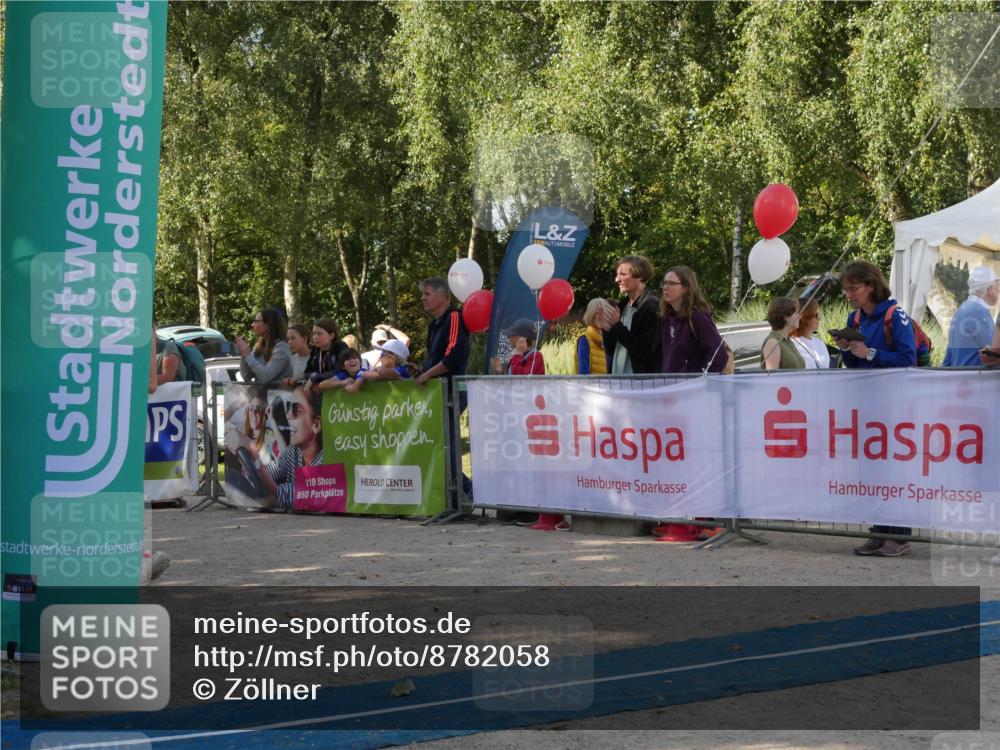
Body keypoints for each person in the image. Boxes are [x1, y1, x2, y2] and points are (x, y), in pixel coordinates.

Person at [835, 261, 916, 557]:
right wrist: (847, 350)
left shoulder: (896, 315)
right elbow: (856, 365)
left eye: (854, 288)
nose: (849, 294)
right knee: (871, 470)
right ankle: (878, 532)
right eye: (846, 289)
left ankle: (899, 535)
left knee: (895, 470)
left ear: (871, 286)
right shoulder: (854, 318)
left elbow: (908, 358)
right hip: (868, 405)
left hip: (896, 405)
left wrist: (870, 353)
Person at [413, 277, 472, 503]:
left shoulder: (455, 317)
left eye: (427, 294)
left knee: (448, 446)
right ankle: (458, 495)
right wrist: (421, 370)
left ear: (442, 296)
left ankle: (467, 494)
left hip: (451, 391)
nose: (422, 298)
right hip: (437, 391)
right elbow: (436, 359)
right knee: (440, 446)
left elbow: (454, 357)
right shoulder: (433, 324)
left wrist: (428, 374)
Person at [232, 386, 324, 512]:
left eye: (296, 409)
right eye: (288, 408)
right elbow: (275, 469)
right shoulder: (295, 451)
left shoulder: (324, 464)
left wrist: (253, 454)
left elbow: (279, 495)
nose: (288, 415)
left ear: (316, 424)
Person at [658, 266, 728, 373]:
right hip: (671, 385)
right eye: (664, 283)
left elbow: (719, 355)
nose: (665, 287)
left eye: (671, 283)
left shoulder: (697, 315)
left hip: (691, 387)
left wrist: (700, 381)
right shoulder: (668, 316)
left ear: (686, 288)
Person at [600, 255, 661, 374]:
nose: (616, 279)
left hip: (642, 385)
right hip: (620, 381)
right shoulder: (622, 307)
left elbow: (646, 351)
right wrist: (607, 329)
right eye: (617, 274)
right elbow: (614, 350)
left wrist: (617, 327)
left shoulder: (652, 306)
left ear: (640, 277)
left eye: (622, 274)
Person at [943, 265, 999, 367]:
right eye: (997, 286)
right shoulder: (978, 312)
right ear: (990, 290)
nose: (999, 290)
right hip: (975, 380)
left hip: (961, 379)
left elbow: (949, 356)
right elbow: (996, 351)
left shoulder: (961, 310)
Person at [238, 308, 292, 383]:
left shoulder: (282, 347)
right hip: (262, 394)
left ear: (267, 325)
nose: (252, 324)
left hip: (281, 393)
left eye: (256, 321)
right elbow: (246, 376)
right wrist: (243, 354)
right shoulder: (259, 347)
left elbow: (266, 376)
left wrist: (247, 355)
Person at [761, 298, 805, 371]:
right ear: (786, 317)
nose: (799, 317)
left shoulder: (788, 340)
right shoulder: (772, 342)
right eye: (796, 313)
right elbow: (773, 378)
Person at [305, 318, 347, 388]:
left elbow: (339, 371)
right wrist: (315, 379)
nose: (315, 337)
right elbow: (306, 373)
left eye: (319, 334)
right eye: (314, 334)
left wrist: (316, 378)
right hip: (320, 388)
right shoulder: (315, 349)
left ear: (331, 336)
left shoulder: (341, 347)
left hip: (339, 388)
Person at [576, 299, 614, 375]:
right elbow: (584, 372)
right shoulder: (584, 339)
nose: (601, 316)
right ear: (592, 315)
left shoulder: (609, 338)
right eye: (598, 313)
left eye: (604, 313)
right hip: (592, 386)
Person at [790, 300, 831, 369]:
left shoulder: (819, 342)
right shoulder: (791, 344)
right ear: (805, 317)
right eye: (816, 315)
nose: (819, 319)